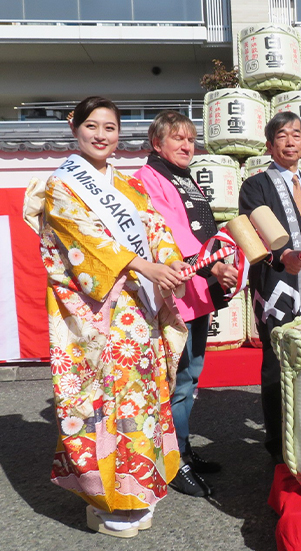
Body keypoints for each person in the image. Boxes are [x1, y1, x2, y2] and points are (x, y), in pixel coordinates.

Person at [23, 97, 190, 537]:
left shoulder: (130, 187)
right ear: (73, 127)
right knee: (100, 401)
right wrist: (144, 266)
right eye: (92, 126)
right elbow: (86, 242)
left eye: (110, 127)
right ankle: (101, 499)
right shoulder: (63, 185)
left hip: (137, 314)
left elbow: (157, 230)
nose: (101, 135)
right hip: (95, 315)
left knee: (138, 399)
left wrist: (171, 265)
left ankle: (136, 487)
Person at [134, 110, 238, 497]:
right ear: (156, 144)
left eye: (191, 140)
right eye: (177, 139)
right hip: (175, 292)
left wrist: (223, 262)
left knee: (190, 377)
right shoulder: (147, 179)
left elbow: (205, 230)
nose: (185, 145)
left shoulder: (184, 178)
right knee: (177, 381)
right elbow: (171, 232)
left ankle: (184, 451)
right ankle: (173, 463)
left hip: (196, 290)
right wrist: (215, 267)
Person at [239, 112, 301, 461]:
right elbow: (254, 230)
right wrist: (284, 256)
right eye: (282, 135)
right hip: (279, 285)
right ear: (270, 145)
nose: (290, 141)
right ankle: (278, 443)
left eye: (296, 134)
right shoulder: (256, 185)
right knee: (277, 360)